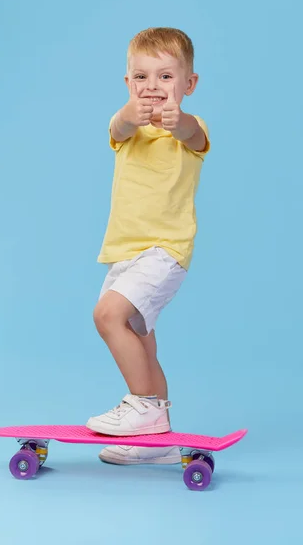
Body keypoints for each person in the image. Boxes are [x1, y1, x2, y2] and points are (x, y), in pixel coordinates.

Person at [87, 27, 210, 465]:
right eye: (141, 78)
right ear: (127, 84)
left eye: (165, 77)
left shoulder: (189, 133)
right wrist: (128, 113)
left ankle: (142, 407)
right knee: (142, 342)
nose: (152, 88)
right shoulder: (126, 129)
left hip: (164, 251)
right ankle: (155, 444)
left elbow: (195, 134)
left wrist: (182, 122)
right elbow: (116, 125)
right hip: (124, 253)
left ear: (188, 84)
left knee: (107, 316)